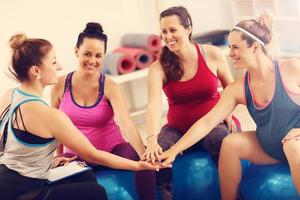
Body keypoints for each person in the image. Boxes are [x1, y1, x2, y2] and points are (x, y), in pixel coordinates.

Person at [0, 33, 161, 200]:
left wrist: (46, 162)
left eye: (98, 55)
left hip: (4, 181)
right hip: (24, 192)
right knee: (96, 193)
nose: (60, 66)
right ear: (36, 71)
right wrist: (138, 165)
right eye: (54, 62)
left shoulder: (9, 95)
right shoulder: (50, 115)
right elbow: (93, 155)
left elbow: (5, 144)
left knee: (85, 178)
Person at [160, 11, 300, 200]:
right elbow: (207, 122)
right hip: (271, 147)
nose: (230, 53)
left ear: (255, 47)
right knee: (230, 143)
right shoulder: (238, 88)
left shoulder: (291, 69)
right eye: (229, 47)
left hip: (296, 145)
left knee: (292, 147)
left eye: (236, 47)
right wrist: (174, 150)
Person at [51, 22, 159, 200]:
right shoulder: (60, 85)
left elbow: (126, 123)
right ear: (76, 51)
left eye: (98, 55)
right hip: (77, 156)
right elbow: (54, 127)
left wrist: (143, 155)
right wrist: (59, 156)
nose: (92, 61)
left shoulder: (110, 86)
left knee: (139, 154)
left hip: (112, 150)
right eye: (87, 54)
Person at [143, 6, 240, 200]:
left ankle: (236, 196)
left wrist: (226, 113)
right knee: (157, 153)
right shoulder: (158, 68)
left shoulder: (211, 54)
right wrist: (152, 138)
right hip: (178, 129)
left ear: (188, 29)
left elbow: (231, 89)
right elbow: (153, 105)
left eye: (173, 30)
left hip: (213, 123)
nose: (168, 36)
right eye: (164, 31)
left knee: (220, 140)